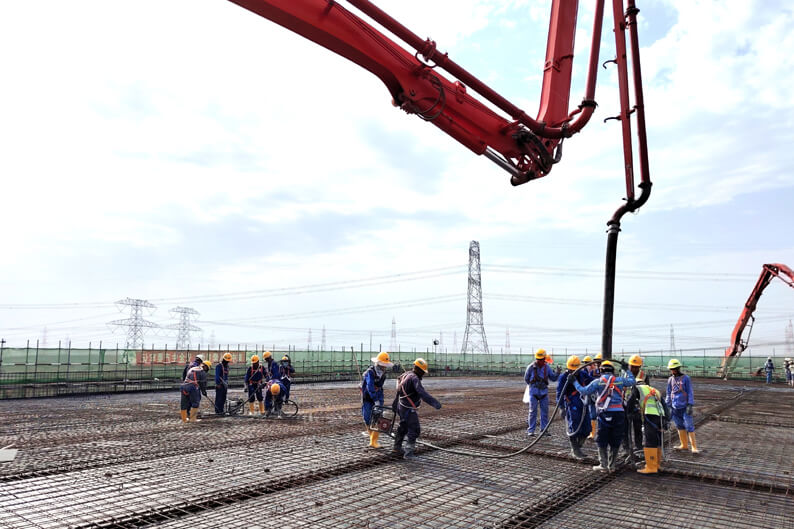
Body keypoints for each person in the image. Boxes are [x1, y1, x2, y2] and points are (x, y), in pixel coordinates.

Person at [574, 360, 635, 472]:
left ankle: (603, 465)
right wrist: (626, 369)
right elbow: (632, 381)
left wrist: (574, 382)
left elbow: (584, 391)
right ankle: (612, 465)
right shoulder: (619, 381)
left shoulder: (598, 382)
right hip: (619, 413)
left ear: (601, 370)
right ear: (613, 370)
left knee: (602, 438)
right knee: (615, 438)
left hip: (604, 414)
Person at [392, 358, 442, 459]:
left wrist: (395, 405)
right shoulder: (414, 378)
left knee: (403, 426)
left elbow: (399, 390)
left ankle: (397, 447)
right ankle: (409, 454)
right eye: (423, 372)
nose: (423, 374)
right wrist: (434, 403)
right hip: (408, 409)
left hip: (401, 406)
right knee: (414, 429)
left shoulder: (405, 375)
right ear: (418, 369)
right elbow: (422, 392)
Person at [556, 355, 592, 459]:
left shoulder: (583, 374)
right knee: (574, 427)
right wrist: (561, 407)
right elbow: (560, 393)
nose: (573, 372)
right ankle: (575, 449)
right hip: (572, 405)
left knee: (587, 428)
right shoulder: (564, 377)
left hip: (583, 404)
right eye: (571, 370)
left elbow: (592, 381)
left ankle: (578, 447)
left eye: (575, 369)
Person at [524, 349, 559, 437]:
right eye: (538, 359)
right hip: (533, 393)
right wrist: (533, 386)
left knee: (545, 412)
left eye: (542, 359)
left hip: (544, 393)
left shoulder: (547, 368)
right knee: (532, 412)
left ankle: (544, 430)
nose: (540, 361)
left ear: (544, 359)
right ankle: (531, 430)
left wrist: (557, 373)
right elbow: (526, 379)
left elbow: (553, 378)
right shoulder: (530, 367)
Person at [361, 352, 393, 449]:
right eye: (383, 365)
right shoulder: (370, 372)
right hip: (367, 398)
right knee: (367, 418)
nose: (384, 367)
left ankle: (374, 441)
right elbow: (370, 387)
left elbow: (379, 387)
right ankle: (371, 437)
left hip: (378, 397)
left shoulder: (383, 375)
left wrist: (379, 401)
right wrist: (375, 399)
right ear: (378, 363)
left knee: (377, 419)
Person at [636, 373, 666, 474]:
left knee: (650, 441)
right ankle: (656, 464)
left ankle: (651, 467)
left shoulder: (637, 389)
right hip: (660, 417)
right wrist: (666, 421)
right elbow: (665, 406)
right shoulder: (655, 390)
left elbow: (631, 402)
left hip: (650, 417)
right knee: (658, 440)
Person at [666, 359, 698, 453]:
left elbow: (690, 391)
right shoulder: (670, 380)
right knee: (679, 425)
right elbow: (669, 393)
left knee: (689, 426)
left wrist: (690, 404)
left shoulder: (686, 378)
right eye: (672, 369)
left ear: (678, 368)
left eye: (675, 368)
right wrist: (667, 406)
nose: (673, 370)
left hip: (685, 407)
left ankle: (694, 447)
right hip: (675, 407)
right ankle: (684, 445)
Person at [622, 354, 649, 459]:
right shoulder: (624, 375)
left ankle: (638, 448)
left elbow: (647, 391)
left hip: (637, 406)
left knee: (637, 428)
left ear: (639, 367)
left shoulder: (644, 376)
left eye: (636, 367)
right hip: (625, 405)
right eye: (631, 366)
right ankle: (626, 449)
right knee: (625, 429)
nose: (633, 369)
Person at [582, 355, 598, 440]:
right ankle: (592, 433)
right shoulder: (589, 372)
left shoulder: (598, 371)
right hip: (591, 394)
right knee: (592, 414)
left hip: (598, 395)